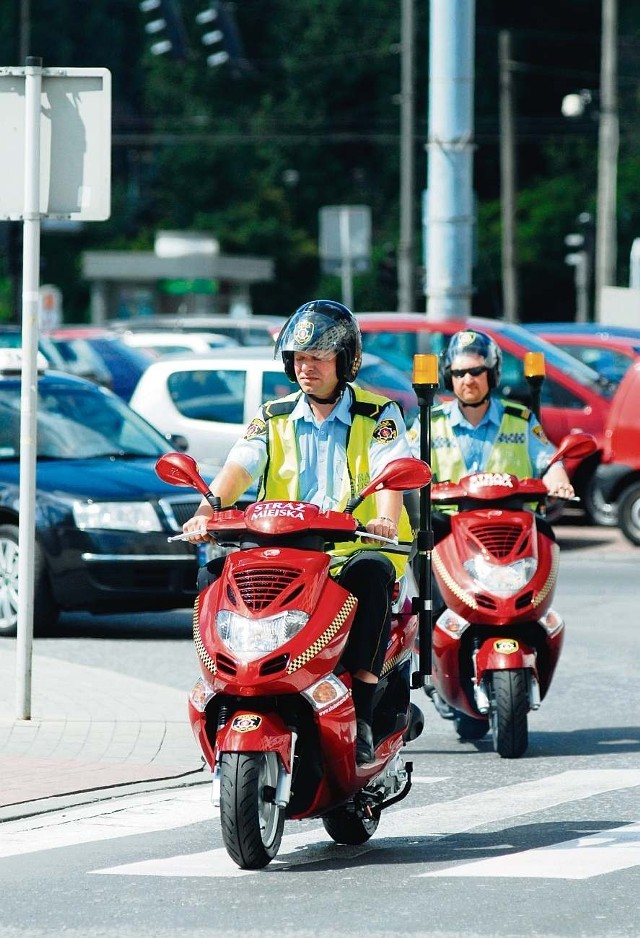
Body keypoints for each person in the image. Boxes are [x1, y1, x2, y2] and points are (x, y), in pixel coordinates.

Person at [181, 299, 416, 765]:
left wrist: (385, 519)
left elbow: (392, 472)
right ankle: (224, 685)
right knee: (213, 574)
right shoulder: (273, 415)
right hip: (281, 550)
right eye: (299, 358)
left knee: (371, 578)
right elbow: (238, 467)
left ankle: (363, 715)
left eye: (318, 357)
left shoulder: (380, 414)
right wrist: (206, 510)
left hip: (356, 548)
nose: (306, 368)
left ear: (346, 360)